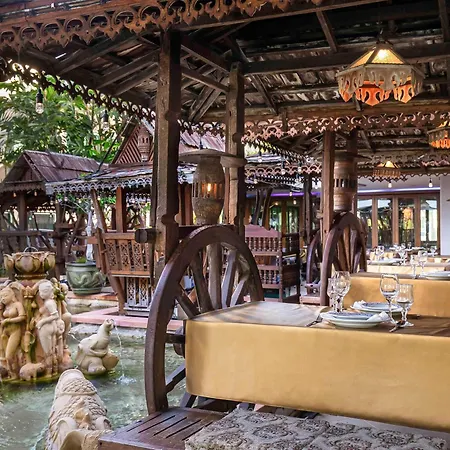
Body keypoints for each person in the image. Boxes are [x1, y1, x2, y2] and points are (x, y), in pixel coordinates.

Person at [0, 286, 26, 379]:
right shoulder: (4, 307)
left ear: (12, 295)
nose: (3, 298)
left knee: (9, 355)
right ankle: (10, 373)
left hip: (15, 331)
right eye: (1, 297)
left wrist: (8, 320)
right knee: (5, 355)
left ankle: (15, 373)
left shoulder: (17, 305)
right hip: (5, 332)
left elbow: (23, 317)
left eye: (5, 296)